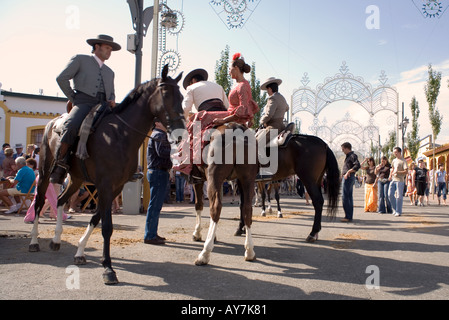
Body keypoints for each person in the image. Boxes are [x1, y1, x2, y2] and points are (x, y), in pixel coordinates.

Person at [52, 34, 121, 184]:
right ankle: (60, 164)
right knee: (71, 126)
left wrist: (113, 100)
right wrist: (74, 98)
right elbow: (61, 78)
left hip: (104, 106)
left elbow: (112, 93)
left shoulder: (110, 72)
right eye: (107, 48)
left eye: (111, 49)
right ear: (97, 47)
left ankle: (123, 167)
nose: (109, 51)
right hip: (83, 102)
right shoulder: (80, 59)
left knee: (123, 127)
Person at [144, 120, 172, 245]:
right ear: (157, 123)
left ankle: (152, 233)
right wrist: (176, 151)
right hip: (158, 172)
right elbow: (162, 152)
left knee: (155, 206)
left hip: (157, 172)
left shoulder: (156, 134)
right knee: (155, 206)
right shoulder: (159, 135)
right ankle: (150, 235)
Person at [213, 53, 259, 127]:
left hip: (233, 118)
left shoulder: (242, 86)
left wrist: (224, 120)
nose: (229, 72)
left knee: (202, 116)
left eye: (230, 69)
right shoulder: (239, 85)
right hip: (230, 115)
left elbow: (243, 110)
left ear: (236, 68)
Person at [340, 142, 361, 222]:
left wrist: (349, 171)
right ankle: (348, 216)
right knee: (348, 196)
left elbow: (357, 165)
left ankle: (348, 216)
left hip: (348, 177)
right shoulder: (349, 156)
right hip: (346, 177)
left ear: (347, 148)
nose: (342, 151)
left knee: (346, 197)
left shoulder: (352, 155)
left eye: (343, 149)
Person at [388, 147, 408, 217]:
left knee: (399, 196)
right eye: (394, 152)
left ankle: (398, 211)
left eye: (396, 152)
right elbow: (392, 168)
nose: (394, 153)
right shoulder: (394, 160)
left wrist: (398, 172)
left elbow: (406, 171)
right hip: (393, 179)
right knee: (390, 194)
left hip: (400, 180)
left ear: (399, 152)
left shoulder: (403, 161)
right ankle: (395, 208)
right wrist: (390, 176)